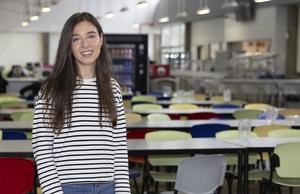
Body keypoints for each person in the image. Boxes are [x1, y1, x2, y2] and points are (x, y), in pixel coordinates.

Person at [32, 12, 130, 194]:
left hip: (108, 187)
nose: (85, 44)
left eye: (91, 36)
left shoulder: (113, 88)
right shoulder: (52, 89)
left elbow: (119, 146)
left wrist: (123, 191)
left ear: (101, 39)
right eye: (76, 39)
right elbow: (41, 146)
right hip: (67, 188)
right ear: (68, 46)